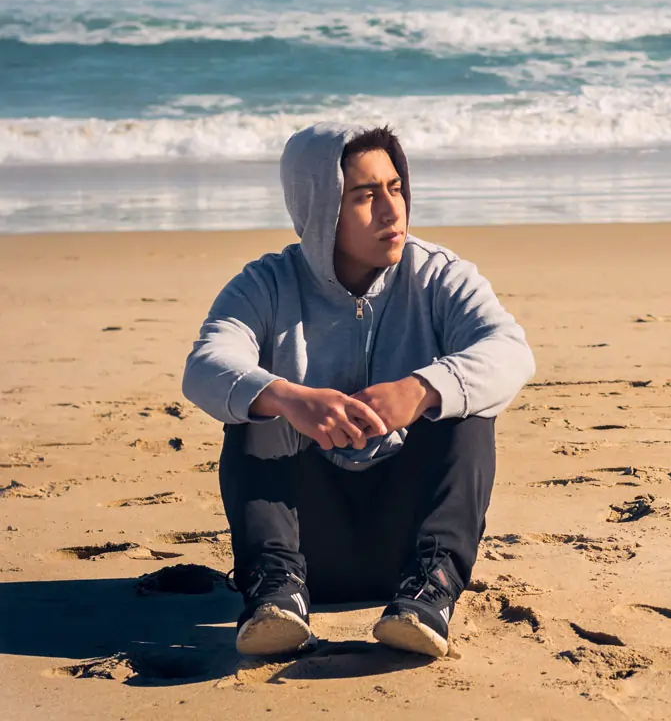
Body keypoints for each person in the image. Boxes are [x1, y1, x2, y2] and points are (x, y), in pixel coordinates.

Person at [181, 123, 535, 659]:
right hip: (306, 546)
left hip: (406, 548)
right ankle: (274, 593)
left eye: (396, 188)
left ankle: (431, 593)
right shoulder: (266, 284)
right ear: (321, 207)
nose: (392, 211)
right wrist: (288, 397)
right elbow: (206, 366)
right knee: (258, 405)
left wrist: (421, 389)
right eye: (366, 197)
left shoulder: (438, 276)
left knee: (467, 403)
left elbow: (510, 350)